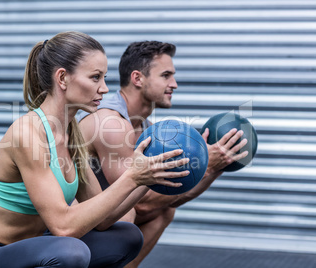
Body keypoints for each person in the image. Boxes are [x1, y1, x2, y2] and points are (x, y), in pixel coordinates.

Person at [0, 32, 190, 268]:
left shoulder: (71, 134)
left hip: (37, 249)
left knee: (127, 237)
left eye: (104, 78)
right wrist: (132, 177)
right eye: (96, 77)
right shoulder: (28, 133)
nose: (104, 89)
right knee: (70, 252)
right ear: (62, 78)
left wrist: (147, 176)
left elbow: (104, 219)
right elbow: (63, 227)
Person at [77, 41, 249, 267]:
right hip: (67, 223)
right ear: (137, 78)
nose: (174, 84)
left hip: (101, 220)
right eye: (166, 75)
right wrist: (206, 165)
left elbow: (174, 195)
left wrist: (215, 166)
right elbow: (140, 205)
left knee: (165, 211)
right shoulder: (113, 122)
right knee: (129, 216)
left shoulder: (146, 128)